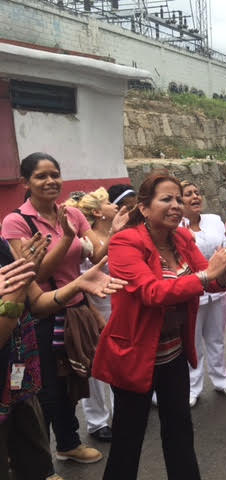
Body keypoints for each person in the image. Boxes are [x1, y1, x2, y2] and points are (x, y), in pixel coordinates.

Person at [92, 172, 226, 480]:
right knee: (128, 441)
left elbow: (211, 284)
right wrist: (206, 275)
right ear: (144, 208)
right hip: (134, 356)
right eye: (166, 199)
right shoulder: (124, 243)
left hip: (173, 354)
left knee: (180, 432)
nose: (176, 205)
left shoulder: (183, 239)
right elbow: (151, 292)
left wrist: (223, 272)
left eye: (178, 199)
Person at [2, 153, 127, 468]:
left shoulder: (70, 213)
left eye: (54, 175)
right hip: (42, 314)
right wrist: (67, 238)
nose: (50, 182)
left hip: (77, 307)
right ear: (25, 182)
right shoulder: (17, 221)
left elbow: (95, 254)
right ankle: (39, 462)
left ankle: (69, 443)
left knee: (72, 381)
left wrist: (111, 231)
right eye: (41, 176)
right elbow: (34, 276)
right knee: (44, 388)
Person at [65, 188, 120, 442]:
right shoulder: (84, 242)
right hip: (95, 307)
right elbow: (82, 278)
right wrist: (92, 313)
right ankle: (98, 421)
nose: (115, 206)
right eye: (109, 203)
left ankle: (122, 409)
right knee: (96, 366)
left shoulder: (114, 234)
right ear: (97, 212)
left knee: (120, 361)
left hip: (118, 306)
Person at [181, 181, 226, 405]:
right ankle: (193, 387)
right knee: (193, 342)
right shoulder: (176, 227)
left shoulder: (214, 220)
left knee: (216, 339)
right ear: (179, 201)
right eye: (188, 194)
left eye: (197, 192)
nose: (195, 197)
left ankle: (221, 379)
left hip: (217, 291)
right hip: (192, 291)